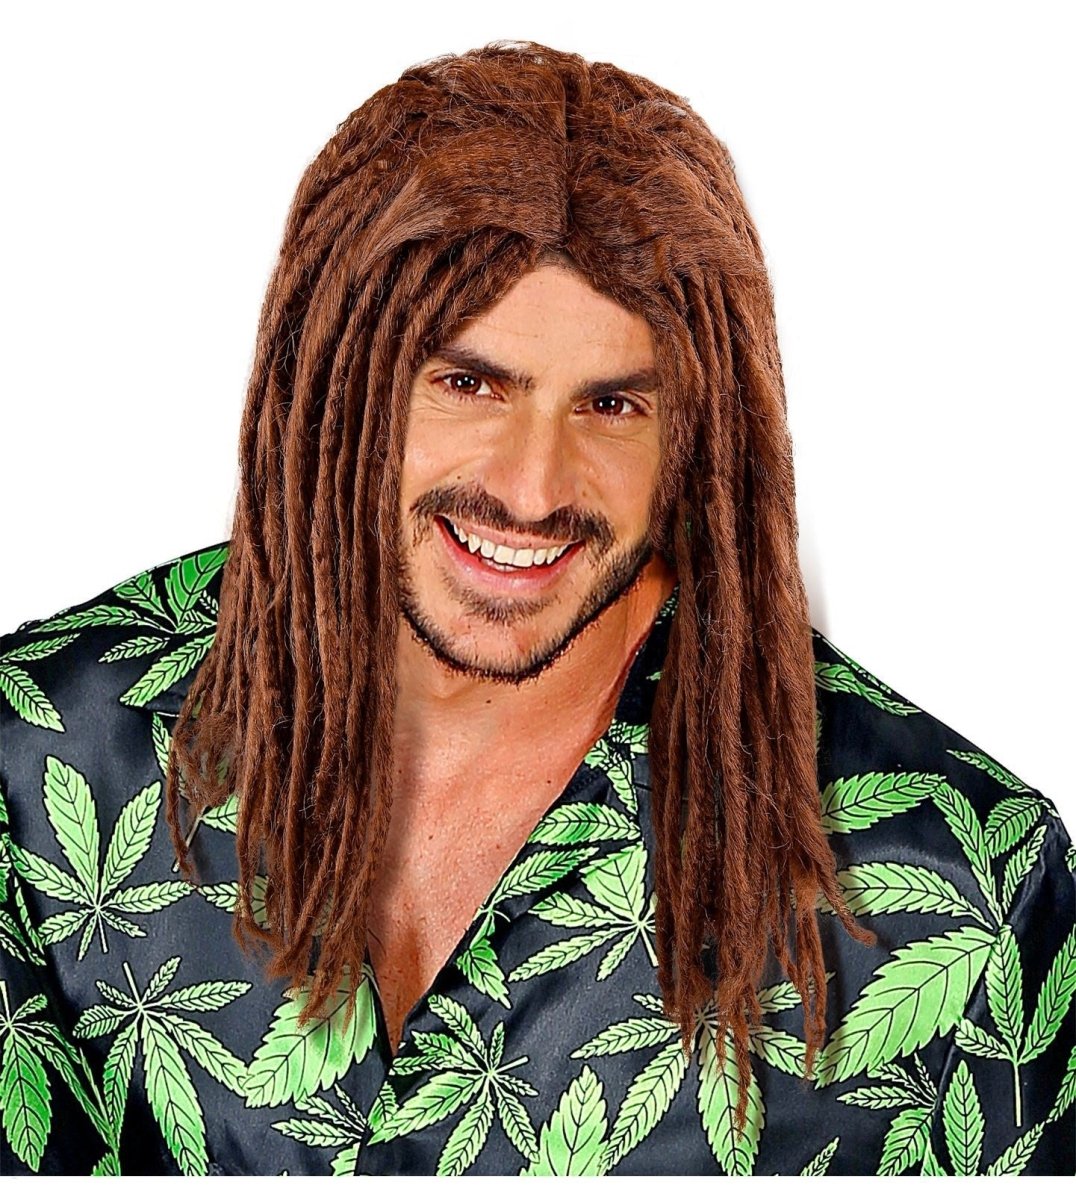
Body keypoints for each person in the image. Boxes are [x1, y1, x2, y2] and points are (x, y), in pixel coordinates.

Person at [0, 40, 1072, 1177]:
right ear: (332, 380)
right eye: (468, 384)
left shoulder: (967, 894)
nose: (530, 488)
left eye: (611, 406)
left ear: (699, 440)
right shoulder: (43, 757)